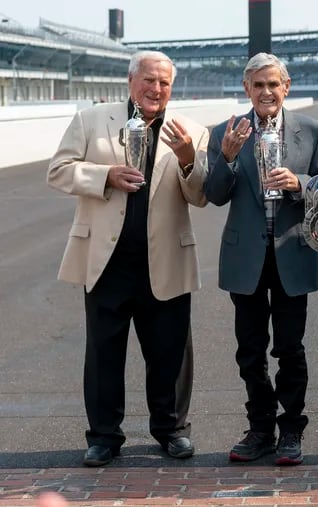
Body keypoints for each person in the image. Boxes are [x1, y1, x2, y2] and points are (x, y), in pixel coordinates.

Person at [47, 50, 208, 466]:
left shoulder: (190, 130)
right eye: (149, 81)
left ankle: (172, 430)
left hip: (166, 257)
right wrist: (104, 176)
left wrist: (190, 158)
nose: (156, 89)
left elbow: (200, 195)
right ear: (131, 81)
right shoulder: (91, 120)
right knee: (103, 354)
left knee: (171, 352)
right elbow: (59, 170)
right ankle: (103, 436)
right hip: (106, 260)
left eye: (164, 83)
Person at [204, 53, 318, 466]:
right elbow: (215, 194)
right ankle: (260, 428)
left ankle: (291, 429)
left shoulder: (312, 131)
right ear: (246, 89)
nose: (266, 92)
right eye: (258, 85)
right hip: (246, 259)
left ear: (286, 87)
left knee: (291, 349)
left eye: (273, 84)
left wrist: (302, 183)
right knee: (250, 351)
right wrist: (225, 158)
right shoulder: (226, 132)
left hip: (293, 253)